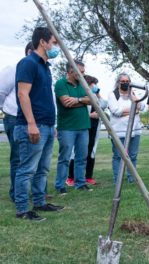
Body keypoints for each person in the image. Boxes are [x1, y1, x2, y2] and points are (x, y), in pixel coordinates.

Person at [14, 27, 64, 221]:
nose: (55, 47)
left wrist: (53, 126)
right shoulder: (28, 63)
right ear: (43, 42)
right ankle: (22, 209)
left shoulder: (45, 66)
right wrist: (31, 124)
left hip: (48, 125)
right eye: (54, 42)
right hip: (33, 126)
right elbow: (22, 94)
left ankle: (40, 202)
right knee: (27, 169)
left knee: (42, 168)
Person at [0, 42, 34, 202]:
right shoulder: (13, 69)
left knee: (33, 158)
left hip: (34, 119)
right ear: (29, 51)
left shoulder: (41, 70)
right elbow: (1, 92)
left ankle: (34, 192)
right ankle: (17, 193)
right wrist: (8, 110)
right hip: (14, 118)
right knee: (19, 158)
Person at [54, 60, 93, 194]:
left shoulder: (83, 84)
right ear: (71, 71)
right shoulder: (60, 83)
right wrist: (83, 100)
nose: (83, 75)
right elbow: (66, 103)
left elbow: (92, 99)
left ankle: (80, 183)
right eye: (81, 72)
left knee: (82, 156)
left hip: (83, 126)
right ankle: (60, 185)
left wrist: (78, 100)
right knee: (64, 157)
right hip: (67, 127)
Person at [67, 75, 107, 186]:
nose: (95, 86)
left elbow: (104, 105)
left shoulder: (95, 96)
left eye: (95, 84)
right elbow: (75, 111)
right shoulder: (80, 95)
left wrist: (98, 93)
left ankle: (88, 177)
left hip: (94, 128)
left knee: (91, 151)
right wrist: (90, 115)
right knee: (77, 152)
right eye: (92, 84)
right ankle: (71, 178)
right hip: (82, 127)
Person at [108, 73, 146, 184]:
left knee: (133, 155)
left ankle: (131, 178)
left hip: (135, 130)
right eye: (122, 81)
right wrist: (133, 110)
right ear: (118, 83)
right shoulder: (113, 95)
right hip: (119, 132)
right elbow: (116, 111)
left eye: (127, 81)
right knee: (118, 156)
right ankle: (117, 179)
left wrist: (135, 100)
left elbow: (142, 107)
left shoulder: (132, 94)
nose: (125, 83)